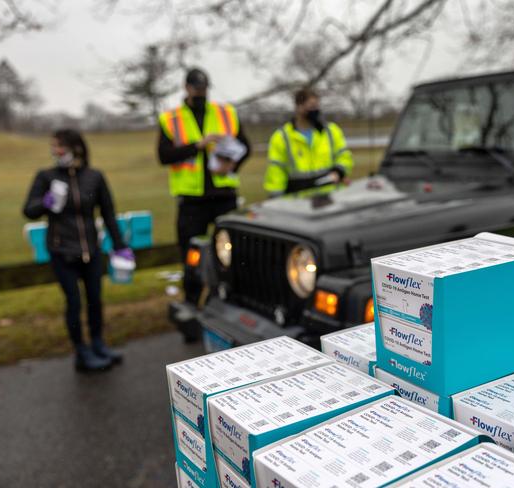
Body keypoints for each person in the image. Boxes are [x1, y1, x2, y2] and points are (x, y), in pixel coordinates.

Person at [23, 129, 134, 372]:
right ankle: (81, 352)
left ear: (76, 147)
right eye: (53, 146)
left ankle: (97, 343)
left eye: (60, 146)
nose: (56, 151)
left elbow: (108, 213)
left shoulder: (94, 176)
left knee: (95, 300)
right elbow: (28, 210)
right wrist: (45, 203)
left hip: (91, 251)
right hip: (62, 252)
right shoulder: (46, 177)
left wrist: (120, 245)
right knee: (73, 302)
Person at [157, 68, 250, 304]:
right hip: (192, 200)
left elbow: (245, 146)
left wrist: (231, 165)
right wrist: (197, 145)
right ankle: (192, 304)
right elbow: (164, 155)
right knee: (192, 255)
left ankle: (231, 299)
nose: (201, 93)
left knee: (232, 253)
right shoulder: (172, 119)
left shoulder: (226, 113)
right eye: (196, 88)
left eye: (204, 88)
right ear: (186, 88)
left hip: (224, 195)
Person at [264, 87, 354, 197]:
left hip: (331, 197)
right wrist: (276, 198)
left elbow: (344, 156)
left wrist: (339, 172)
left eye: (317, 106)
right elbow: (276, 170)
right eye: (311, 107)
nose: (315, 110)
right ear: (298, 107)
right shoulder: (281, 137)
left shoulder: (331, 131)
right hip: (298, 202)